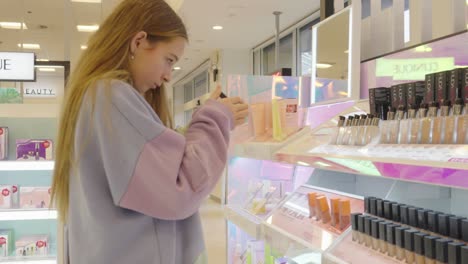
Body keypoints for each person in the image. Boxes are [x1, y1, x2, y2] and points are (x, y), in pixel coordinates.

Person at [50, 0, 248, 263]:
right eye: (169, 60)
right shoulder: (112, 97)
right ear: (139, 42)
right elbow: (177, 191)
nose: (168, 75)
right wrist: (214, 118)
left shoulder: (92, 97)